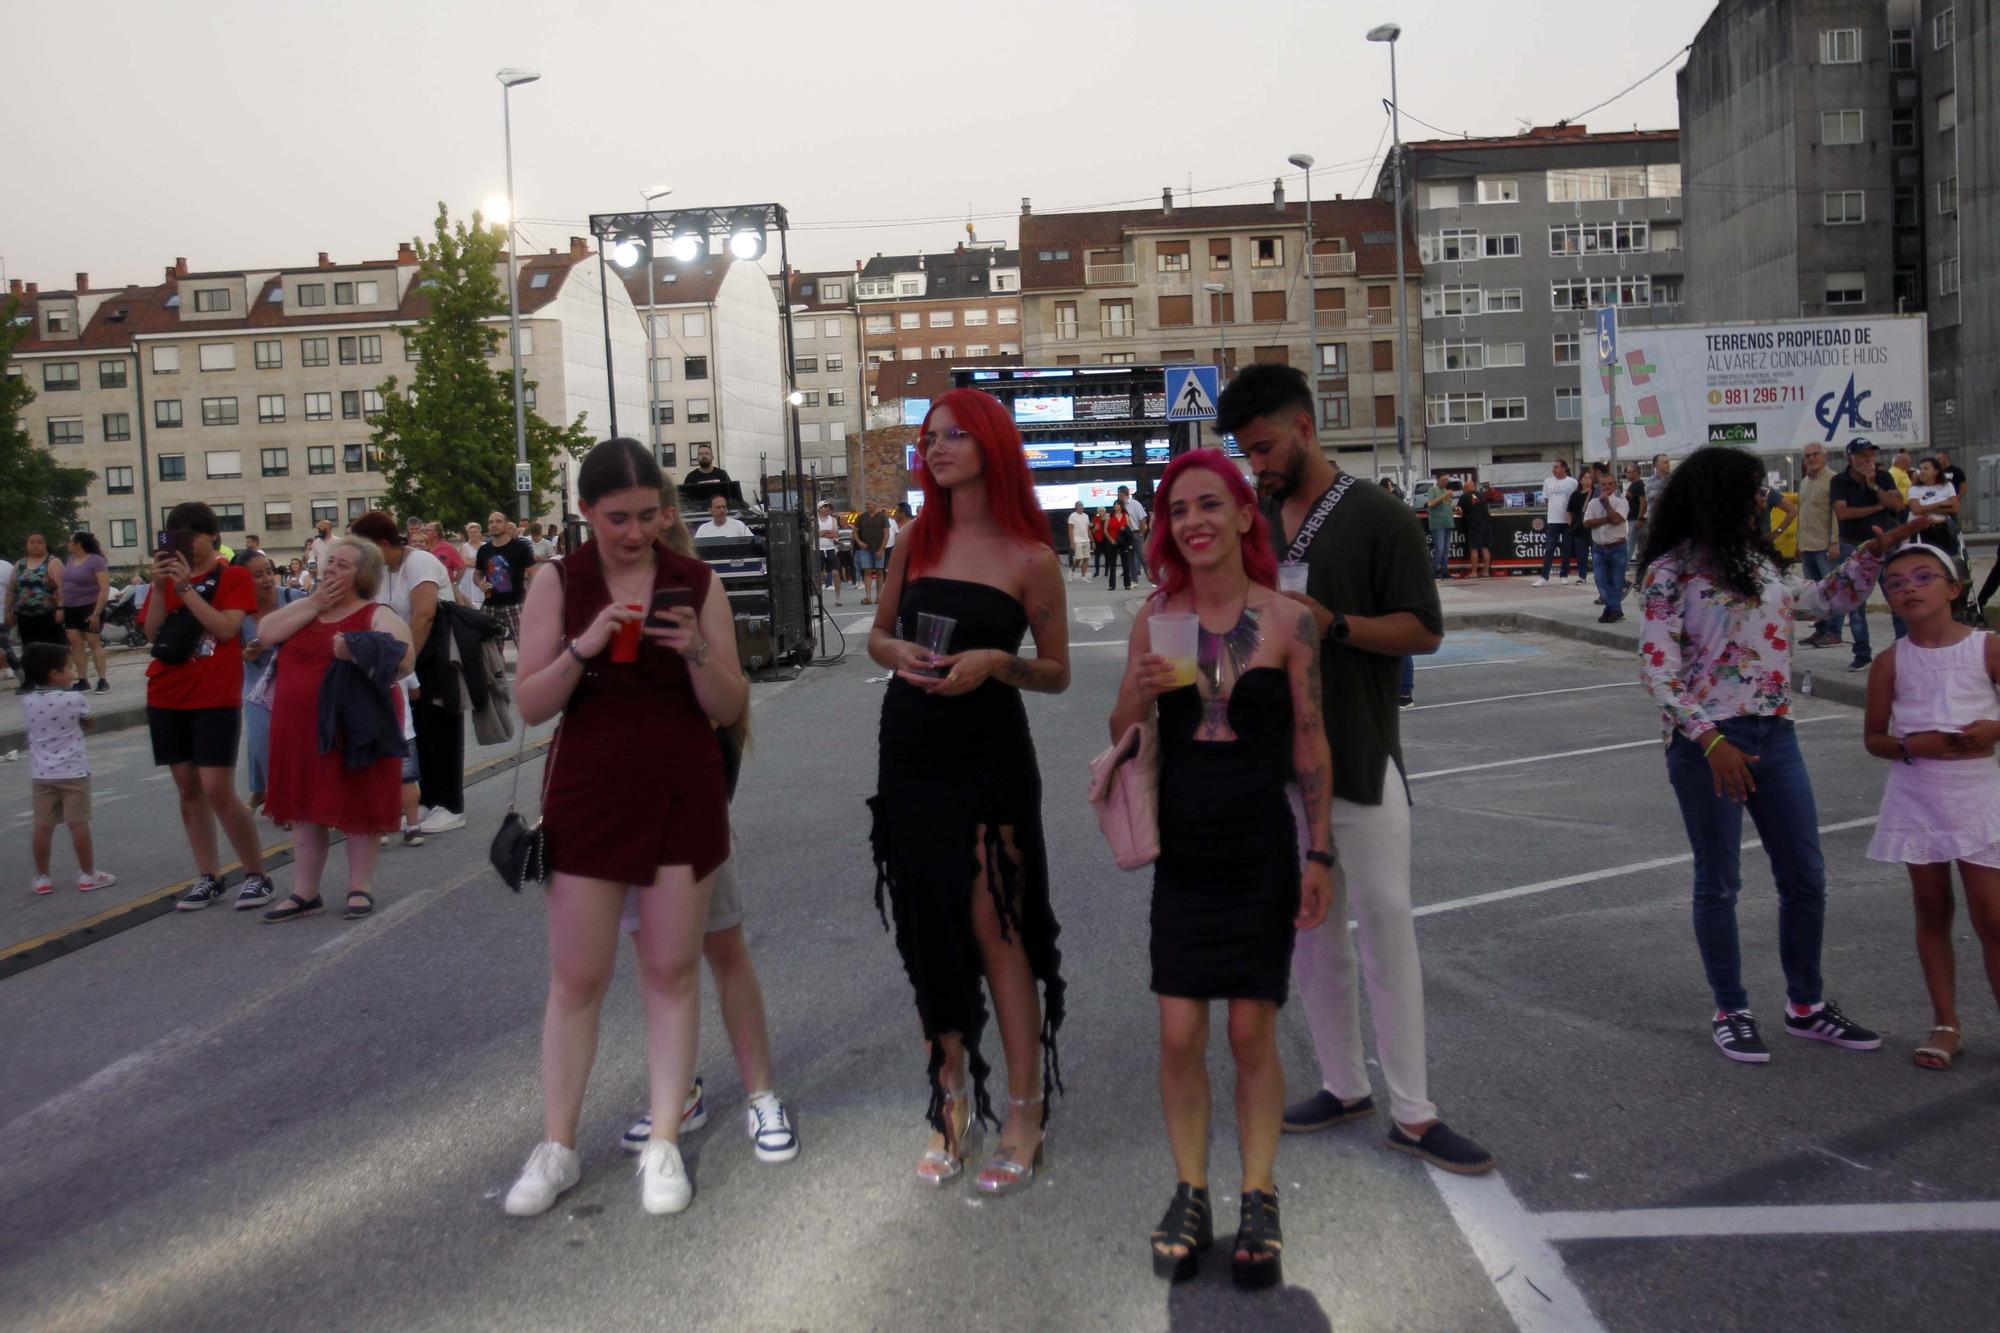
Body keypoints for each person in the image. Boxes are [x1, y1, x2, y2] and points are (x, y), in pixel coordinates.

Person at [1221, 363, 1493, 1174]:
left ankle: (1414, 1110)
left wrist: (1335, 627)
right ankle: (1344, 1082)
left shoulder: (1380, 516)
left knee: (1386, 928)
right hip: (1279, 765)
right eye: (1246, 453)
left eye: (1265, 446)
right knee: (1312, 936)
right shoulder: (1255, 519)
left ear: (1305, 426)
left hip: (1365, 757)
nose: (1258, 464)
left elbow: (1425, 630)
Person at [503, 438, 748, 1220]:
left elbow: (728, 704)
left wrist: (699, 651)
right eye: (617, 518)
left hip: (682, 789)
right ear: (585, 513)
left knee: (671, 972)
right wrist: (587, 643)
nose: (635, 532)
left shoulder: (695, 580)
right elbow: (532, 703)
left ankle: (666, 1139)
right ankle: (557, 1145)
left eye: (649, 516)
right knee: (577, 979)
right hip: (589, 794)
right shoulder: (558, 580)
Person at [1109, 450, 1332, 1289]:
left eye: (1210, 504)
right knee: (1178, 1031)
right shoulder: (1156, 616)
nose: (1193, 521)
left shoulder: (1288, 621)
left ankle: (1260, 1194)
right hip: (1186, 850)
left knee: (1249, 1031)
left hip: (1260, 847)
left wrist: (1319, 849)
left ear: (1245, 515)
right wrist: (1135, 688)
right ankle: (1192, 1188)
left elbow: (1309, 738)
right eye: (1177, 511)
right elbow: (1124, 728)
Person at [1637, 445, 1933, 1063]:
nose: (1761, 502)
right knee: (1719, 882)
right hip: (1708, 745)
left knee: (1805, 877)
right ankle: (1732, 1009)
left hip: (1775, 732)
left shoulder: (1758, 563)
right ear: (1719, 496)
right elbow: (1659, 674)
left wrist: (1874, 553)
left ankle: (1806, 1006)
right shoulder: (1671, 571)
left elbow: (1820, 602)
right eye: (1750, 492)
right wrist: (1711, 741)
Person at [866, 387, 1071, 1196]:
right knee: (927, 927)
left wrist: (995, 664)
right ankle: (949, 1100)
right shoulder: (915, 538)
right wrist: (900, 655)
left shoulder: (1030, 554)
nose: (937, 446)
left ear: (990, 442)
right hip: (911, 746)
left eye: (953, 434)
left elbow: (1055, 673)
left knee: (999, 927)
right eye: (929, 437)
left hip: (988, 752)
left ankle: (1024, 1108)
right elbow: (878, 634)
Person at [1862, 543, 2000, 1071]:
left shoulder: (1987, 648)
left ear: (1955, 588)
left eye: (1923, 576)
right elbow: (1874, 737)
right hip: (1917, 795)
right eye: (1895, 583)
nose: (1909, 588)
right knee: (1933, 908)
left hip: (1976, 796)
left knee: (1993, 916)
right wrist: (1906, 746)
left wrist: (1993, 729)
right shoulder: (1891, 663)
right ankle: (1946, 1022)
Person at [252, 537, 413, 922]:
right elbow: (267, 633)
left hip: (354, 728)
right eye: (329, 563)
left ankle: (360, 888)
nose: (330, 570)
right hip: (300, 730)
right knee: (305, 810)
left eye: (342, 565)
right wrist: (313, 604)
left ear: (363, 575)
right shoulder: (303, 609)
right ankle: (305, 892)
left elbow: (404, 658)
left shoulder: (376, 612)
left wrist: (359, 649)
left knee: (360, 804)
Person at [141, 503, 277, 912]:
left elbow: (226, 628)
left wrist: (185, 589)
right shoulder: (166, 579)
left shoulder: (232, 576)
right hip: (166, 692)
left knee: (218, 788)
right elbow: (151, 631)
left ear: (210, 536)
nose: (185, 542)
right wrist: (161, 587)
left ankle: (256, 873)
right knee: (188, 788)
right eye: (176, 534)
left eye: (192, 534)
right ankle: (208, 875)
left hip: (214, 693)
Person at [351, 511, 465, 838]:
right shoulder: (385, 571)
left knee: (443, 726)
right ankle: (428, 799)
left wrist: (404, 662)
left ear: (383, 542)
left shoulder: (420, 563)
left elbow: (424, 614)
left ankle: (452, 805)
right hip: (408, 657)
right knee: (420, 730)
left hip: (434, 654)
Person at [21, 642, 117, 895]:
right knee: (78, 824)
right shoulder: (74, 698)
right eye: (69, 668)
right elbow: (89, 721)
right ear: (54, 674)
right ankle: (88, 874)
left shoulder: (28, 701)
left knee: (42, 826)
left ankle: (42, 878)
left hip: (41, 775)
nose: (72, 673)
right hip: (73, 773)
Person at [1830, 439, 1909, 671]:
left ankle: (1904, 647)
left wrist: (1873, 485)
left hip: (1884, 544)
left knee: (1895, 594)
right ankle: (1862, 653)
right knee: (1855, 603)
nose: (1868, 460)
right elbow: (1843, 513)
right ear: (1850, 458)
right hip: (1852, 545)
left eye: (1871, 455)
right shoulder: (1839, 481)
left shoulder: (1883, 478)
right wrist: (1876, 507)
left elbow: (1896, 505)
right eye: (1862, 455)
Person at [238, 552, 303, 814]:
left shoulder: (293, 599)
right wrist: (243, 654)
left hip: (294, 679)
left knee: (297, 744)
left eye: (268, 571)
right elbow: (225, 647)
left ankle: (288, 797)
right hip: (257, 682)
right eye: (257, 575)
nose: (266, 579)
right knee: (261, 739)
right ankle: (276, 797)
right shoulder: (238, 612)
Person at [1797, 444, 1844, 650]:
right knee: (1815, 595)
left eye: (1815, 454)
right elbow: (1802, 514)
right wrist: (1798, 543)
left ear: (1824, 456)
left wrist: (1835, 542)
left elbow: (1836, 514)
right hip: (1807, 547)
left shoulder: (1834, 479)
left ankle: (1834, 632)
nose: (1812, 458)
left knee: (1832, 592)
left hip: (1825, 547)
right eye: (1808, 455)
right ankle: (1821, 630)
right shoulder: (1805, 482)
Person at [8, 534, 68, 691]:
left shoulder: (52, 562)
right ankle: (30, 681)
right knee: (28, 649)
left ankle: (57, 679)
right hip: (25, 615)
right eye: (32, 542)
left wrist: (61, 608)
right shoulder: (20, 564)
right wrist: (8, 610)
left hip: (48, 614)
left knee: (53, 647)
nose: (36, 545)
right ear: (27, 545)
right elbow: (12, 589)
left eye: (40, 542)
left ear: (45, 544)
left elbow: (62, 587)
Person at [476, 510, 536, 648]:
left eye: (498, 521)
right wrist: (480, 583)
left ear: (506, 524)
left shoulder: (520, 547)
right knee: (492, 651)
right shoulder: (484, 550)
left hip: (515, 604)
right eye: (491, 522)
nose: (494, 524)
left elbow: (534, 573)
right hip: (490, 605)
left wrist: (530, 597)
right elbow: (477, 574)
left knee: (525, 647)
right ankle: (497, 670)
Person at [60, 532, 111, 693]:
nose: (68, 544)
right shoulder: (70, 560)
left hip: (90, 606)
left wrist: (96, 612)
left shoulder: (96, 560)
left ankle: (102, 680)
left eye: (70, 541)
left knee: (93, 641)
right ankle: (82, 680)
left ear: (79, 543)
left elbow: (104, 588)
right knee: (75, 643)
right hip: (71, 607)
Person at [1583, 469, 1631, 623]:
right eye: (1604, 484)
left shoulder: (1622, 502)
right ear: (1598, 486)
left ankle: (1611, 610)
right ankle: (1615, 609)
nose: (1607, 487)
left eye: (1610, 484)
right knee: (1600, 580)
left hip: (1617, 546)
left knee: (1616, 582)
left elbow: (1617, 519)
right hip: (1599, 548)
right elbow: (1587, 522)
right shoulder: (1592, 503)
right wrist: (1606, 518)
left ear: (1615, 486)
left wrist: (1607, 505)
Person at [1532, 461, 1578, 586]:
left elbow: (1576, 500)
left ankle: (1564, 574)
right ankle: (1544, 576)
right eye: (1553, 467)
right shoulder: (1548, 482)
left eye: (1556, 467)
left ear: (1564, 468)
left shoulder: (1572, 482)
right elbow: (1546, 499)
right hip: (1553, 520)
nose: (1554, 469)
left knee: (1567, 548)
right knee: (1549, 548)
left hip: (1567, 520)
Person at [1907, 456, 1960, 554]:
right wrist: (1941, 503)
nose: (1922, 471)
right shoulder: (1914, 489)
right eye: (1920, 469)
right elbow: (1916, 510)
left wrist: (1927, 509)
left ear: (1936, 472)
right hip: (1923, 530)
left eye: (1926, 468)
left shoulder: (1947, 486)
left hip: (1944, 529)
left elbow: (1955, 508)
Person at [855, 499, 891, 604]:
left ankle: (879, 596)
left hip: (878, 548)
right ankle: (868, 596)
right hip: (865, 549)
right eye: (866, 504)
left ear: (875, 504)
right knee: (867, 571)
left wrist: (881, 549)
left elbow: (886, 534)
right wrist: (859, 542)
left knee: (879, 571)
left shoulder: (882, 517)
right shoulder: (861, 517)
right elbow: (855, 532)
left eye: (868, 504)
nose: (866, 505)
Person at [1424, 480, 1459, 581]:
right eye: (1443, 480)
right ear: (1438, 480)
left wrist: (1455, 508)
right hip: (1438, 524)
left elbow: (1447, 505)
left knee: (1446, 549)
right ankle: (1434, 572)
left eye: (1446, 480)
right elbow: (1430, 504)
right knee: (1439, 547)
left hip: (1448, 522)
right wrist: (1444, 496)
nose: (1445, 482)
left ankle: (1444, 571)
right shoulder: (1432, 490)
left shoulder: (1445, 490)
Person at [1459, 480, 1493, 580]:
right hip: (1487, 522)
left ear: (1466, 488)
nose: (1464, 490)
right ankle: (1486, 572)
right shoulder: (1482, 495)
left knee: (1474, 548)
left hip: (1475, 524)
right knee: (1485, 548)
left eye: (1464, 488)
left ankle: (1474, 573)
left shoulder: (1464, 497)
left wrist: (1462, 513)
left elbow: (1459, 510)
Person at [1117, 485, 1149, 588]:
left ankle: (1152, 578)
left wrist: (1141, 532)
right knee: (1129, 557)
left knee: (1142, 555)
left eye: (1119, 494)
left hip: (1135, 532)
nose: (1118, 496)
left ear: (1123, 494)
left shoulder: (1135, 504)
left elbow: (1143, 518)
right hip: (1126, 534)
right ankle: (1134, 580)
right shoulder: (1119, 506)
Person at [815, 502, 844, 606]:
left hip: (830, 548)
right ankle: (819, 599)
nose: (828, 508)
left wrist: (822, 533)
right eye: (825, 507)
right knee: (818, 575)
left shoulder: (833, 520)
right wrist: (827, 532)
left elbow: (835, 534)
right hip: (818, 549)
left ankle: (838, 598)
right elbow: (815, 533)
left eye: (829, 507)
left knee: (836, 572)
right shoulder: (814, 520)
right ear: (819, 509)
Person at [0, 553, 19, 690]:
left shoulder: (5, 567)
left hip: (2, 614)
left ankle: (20, 673)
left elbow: (15, 589)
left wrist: (11, 610)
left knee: (4, 645)